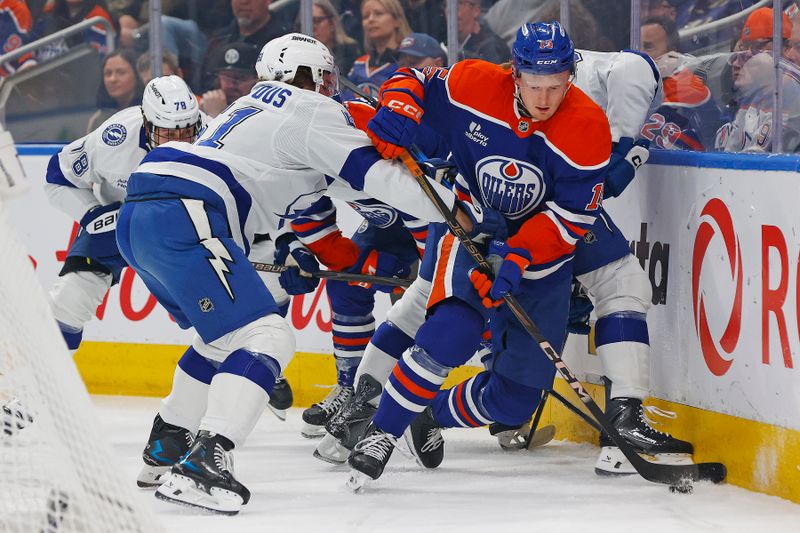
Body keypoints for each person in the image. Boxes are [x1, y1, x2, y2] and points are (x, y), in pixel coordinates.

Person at [118, 32, 488, 514]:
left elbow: (294, 195)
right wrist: (457, 208)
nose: (332, 89)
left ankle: (164, 446)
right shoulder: (307, 107)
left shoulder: (253, 109)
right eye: (327, 78)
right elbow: (374, 175)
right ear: (306, 77)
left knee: (220, 340)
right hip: (189, 211)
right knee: (268, 339)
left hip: (148, 214)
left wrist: (301, 253)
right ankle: (207, 460)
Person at [346, 21, 611, 485]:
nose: (545, 99)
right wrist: (401, 105)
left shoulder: (588, 127)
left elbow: (571, 218)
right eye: (534, 86)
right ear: (515, 74)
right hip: (473, 229)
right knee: (453, 330)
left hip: (541, 263)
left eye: (556, 85)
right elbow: (418, 80)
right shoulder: (473, 83)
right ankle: (381, 432)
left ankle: (424, 414)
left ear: (571, 75)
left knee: (514, 400)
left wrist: (519, 258)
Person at [44, 75, 202, 357]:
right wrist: (93, 215)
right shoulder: (115, 138)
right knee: (68, 299)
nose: (179, 141)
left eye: (187, 131)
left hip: (187, 234)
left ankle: (255, 371)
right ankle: (37, 392)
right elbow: (58, 176)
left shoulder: (215, 139)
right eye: (167, 132)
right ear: (147, 123)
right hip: (120, 224)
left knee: (222, 315)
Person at [715, 7, 800, 152]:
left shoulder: (793, 96)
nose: (744, 58)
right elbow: (729, 153)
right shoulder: (748, 100)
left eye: (755, 47)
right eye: (744, 47)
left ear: (784, 48)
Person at [201, 0, 293, 92]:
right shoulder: (218, 41)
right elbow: (203, 85)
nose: (244, 2)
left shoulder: (285, 44)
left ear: (268, 1)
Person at [343, 0, 410, 100]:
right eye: (365, 16)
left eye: (378, 14)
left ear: (397, 20)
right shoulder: (359, 63)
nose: (370, 20)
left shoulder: (409, 60)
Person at [32, 0, 114, 62]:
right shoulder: (47, 12)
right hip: (40, 78)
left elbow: (94, 63)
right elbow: (30, 43)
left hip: (75, 79)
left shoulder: (99, 18)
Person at [87, 49, 146, 134]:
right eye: (108, 73)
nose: (113, 79)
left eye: (121, 73)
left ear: (136, 76)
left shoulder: (149, 114)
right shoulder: (98, 119)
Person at [200, 41, 260, 118]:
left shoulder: (261, 111)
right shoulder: (208, 103)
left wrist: (216, 114)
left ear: (256, 79)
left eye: (241, 77)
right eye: (226, 77)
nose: (231, 85)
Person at [308, 0, 361, 76]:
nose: (312, 28)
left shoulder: (349, 52)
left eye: (317, 21)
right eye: (307, 24)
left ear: (333, 22)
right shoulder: (298, 54)